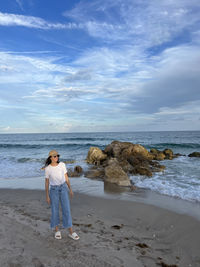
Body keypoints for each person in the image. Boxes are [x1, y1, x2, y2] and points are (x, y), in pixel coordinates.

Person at [44, 150, 79, 240]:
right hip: (54, 190)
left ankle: (71, 232)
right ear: (50, 158)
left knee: (66, 209)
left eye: (57, 156)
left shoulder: (62, 165)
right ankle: (56, 230)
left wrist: (70, 189)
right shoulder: (48, 169)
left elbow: (66, 177)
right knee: (54, 210)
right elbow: (47, 182)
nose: (57, 158)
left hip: (63, 188)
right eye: (54, 156)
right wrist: (47, 196)